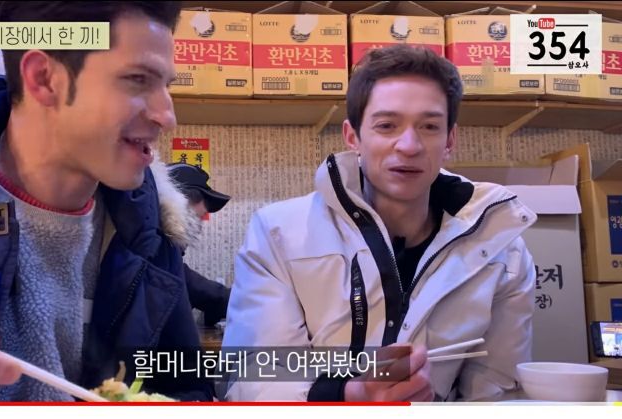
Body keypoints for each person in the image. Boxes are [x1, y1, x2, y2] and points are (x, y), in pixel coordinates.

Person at [0, 1, 213, 401]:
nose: (167, 116)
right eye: (137, 79)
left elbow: (185, 388)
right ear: (44, 78)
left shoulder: (148, 228)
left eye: (166, 84)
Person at [222, 45, 537, 402]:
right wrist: (347, 396)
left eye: (429, 126)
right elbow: (252, 376)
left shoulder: (502, 250)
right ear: (353, 136)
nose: (409, 146)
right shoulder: (279, 233)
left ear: (450, 139)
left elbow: (496, 390)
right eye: (387, 126)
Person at [167, 163, 232, 327]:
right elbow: (197, 289)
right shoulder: (156, 252)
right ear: (182, 201)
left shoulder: (161, 247)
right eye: (202, 214)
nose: (203, 218)